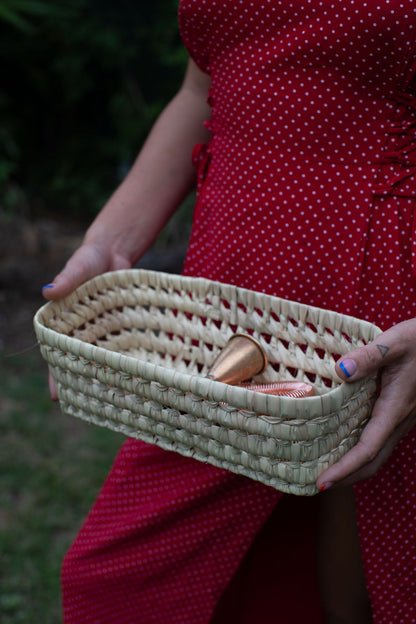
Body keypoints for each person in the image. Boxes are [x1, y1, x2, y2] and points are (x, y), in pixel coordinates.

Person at [42, 1, 416, 622]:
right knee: (117, 586)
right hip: (224, 331)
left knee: (362, 592)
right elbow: (202, 88)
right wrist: (111, 242)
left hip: (384, 321)